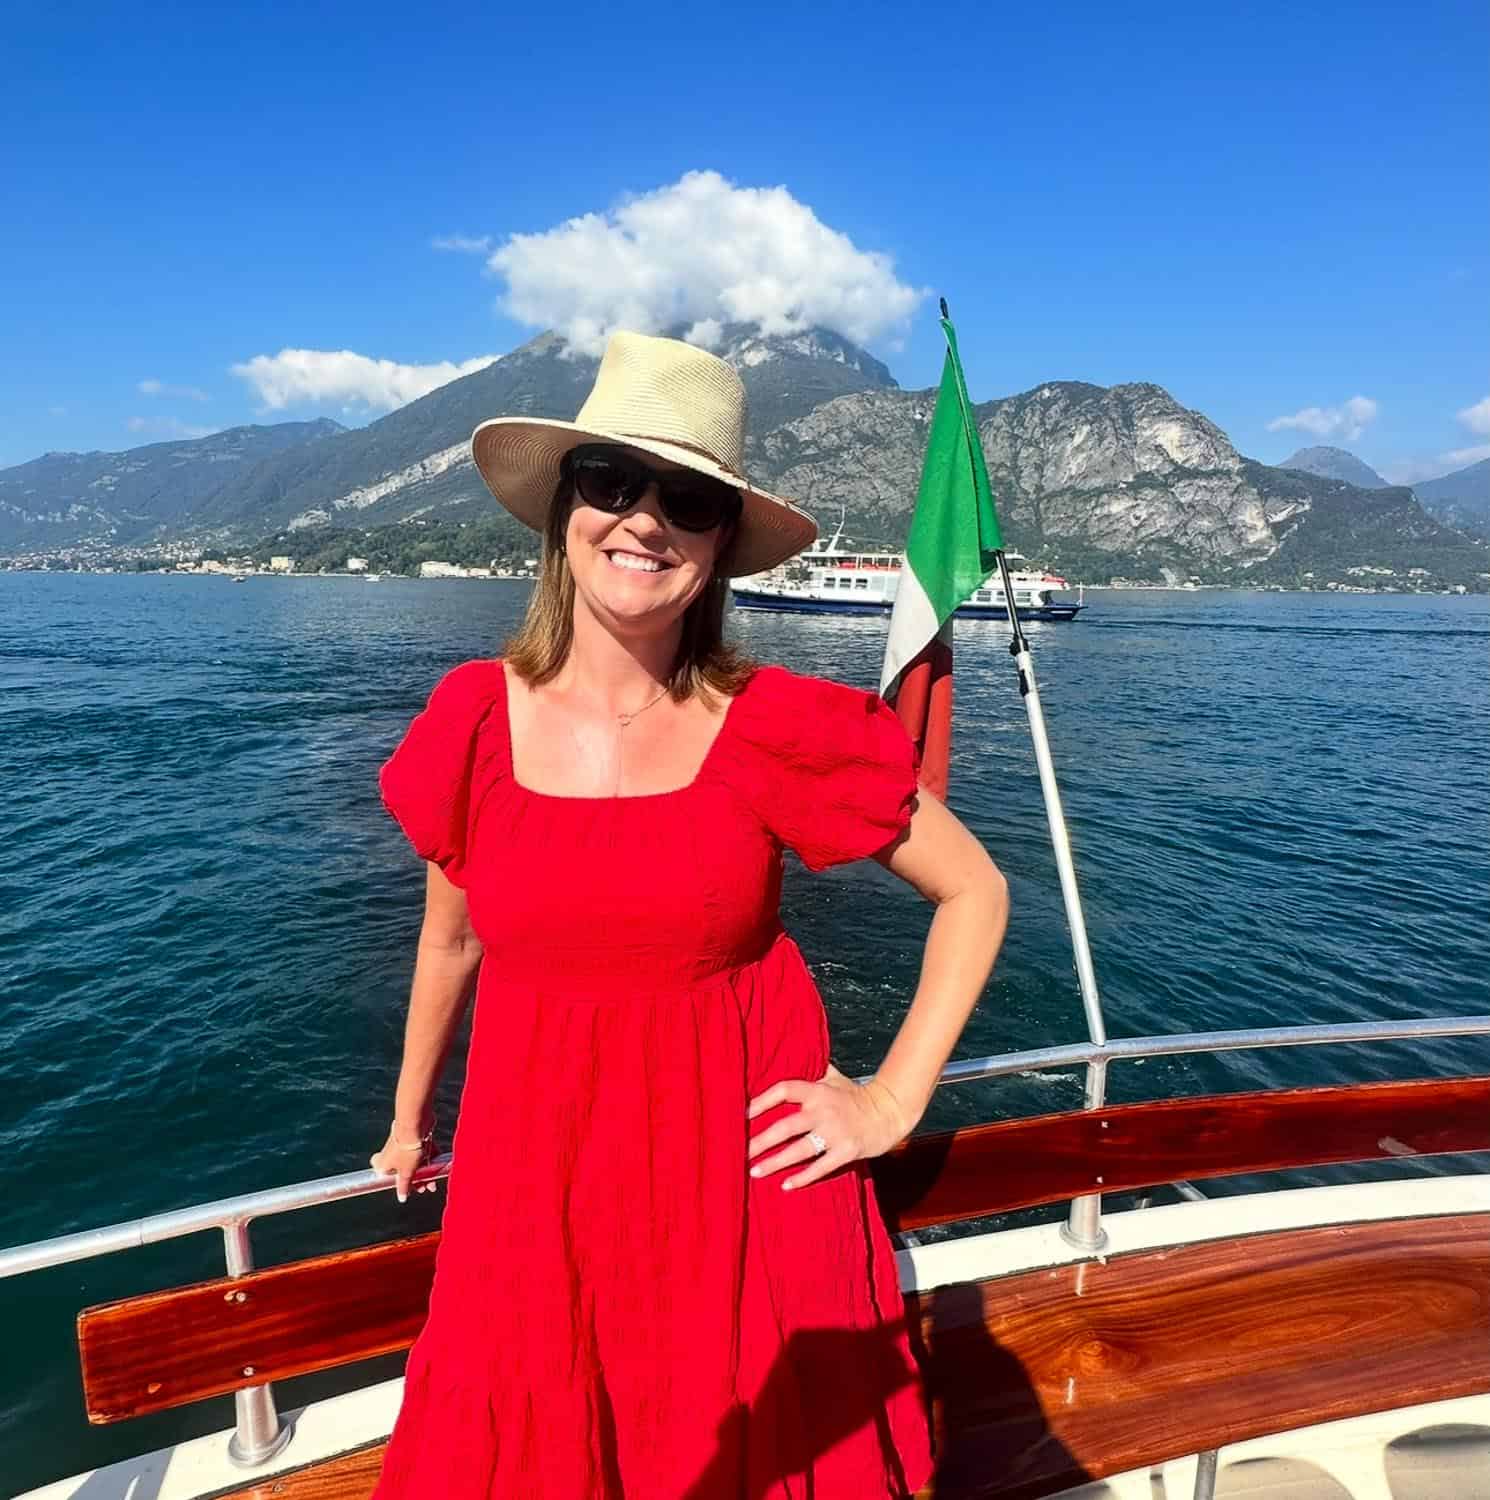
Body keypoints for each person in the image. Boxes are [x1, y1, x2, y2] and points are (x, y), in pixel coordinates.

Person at [370, 330, 1009, 1498]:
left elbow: (975, 890)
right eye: (612, 483)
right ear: (565, 509)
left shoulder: (776, 724)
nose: (644, 521)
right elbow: (450, 937)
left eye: (690, 499)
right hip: (535, 1169)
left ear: (719, 545)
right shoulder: (470, 718)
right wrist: (409, 1119)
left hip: (744, 1185)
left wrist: (888, 1100)